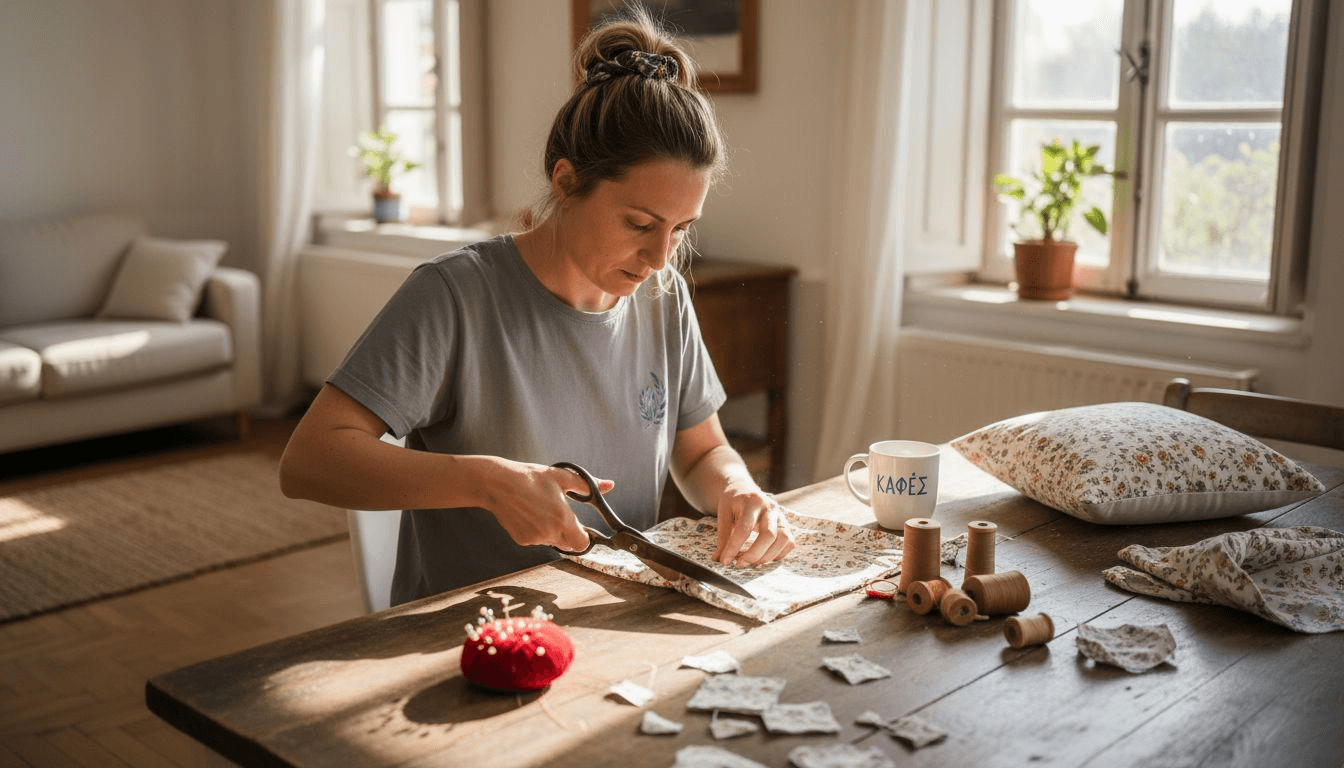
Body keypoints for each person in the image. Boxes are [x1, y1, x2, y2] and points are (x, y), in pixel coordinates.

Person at [279, 9, 795, 606]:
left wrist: (736, 488)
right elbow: (308, 461)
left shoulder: (664, 295)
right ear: (566, 182)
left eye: (681, 229)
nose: (659, 257)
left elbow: (701, 449)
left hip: (613, 619)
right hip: (465, 634)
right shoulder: (455, 295)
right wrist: (488, 483)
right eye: (638, 223)